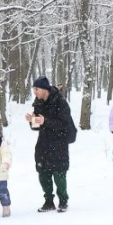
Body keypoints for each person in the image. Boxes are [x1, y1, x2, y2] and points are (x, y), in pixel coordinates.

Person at [27, 76, 75, 212]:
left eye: (36, 89)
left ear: (44, 89)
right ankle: (48, 201)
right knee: (43, 174)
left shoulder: (60, 102)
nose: (35, 92)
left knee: (59, 175)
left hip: (59, 143)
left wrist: (45, 121)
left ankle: (63, 201)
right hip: (43, 143)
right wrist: (33, 121)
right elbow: (37, 126)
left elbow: (64, 124)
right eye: (34, 89)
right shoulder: (38, 103)